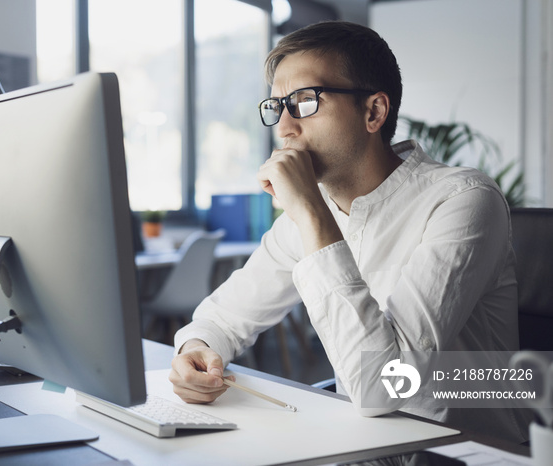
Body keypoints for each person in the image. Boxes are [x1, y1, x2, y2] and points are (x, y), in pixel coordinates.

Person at [169, 21, 529, 443]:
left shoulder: (464, 200)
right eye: (277, 106)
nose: (284, 127)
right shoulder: (308, 216)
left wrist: (309, 212)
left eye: (304, 101)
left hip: (463, 451)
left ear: (374, 111)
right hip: (362, 445)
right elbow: (220, 319)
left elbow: (385, 386)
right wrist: (194, 351)